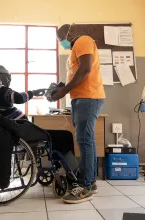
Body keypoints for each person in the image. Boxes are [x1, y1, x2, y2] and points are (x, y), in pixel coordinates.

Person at [51, 24, 106, 204]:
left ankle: (85, 187)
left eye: (62, 39)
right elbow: (77, 73)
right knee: (85, 140)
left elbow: (85, 69)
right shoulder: (75, 48)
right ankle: (91, 182)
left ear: (70, 33)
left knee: (85, 140)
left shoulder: (83, 40)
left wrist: (64, 91)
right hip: (81, 98)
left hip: (88, 98)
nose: (62, 43)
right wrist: (60, 89)